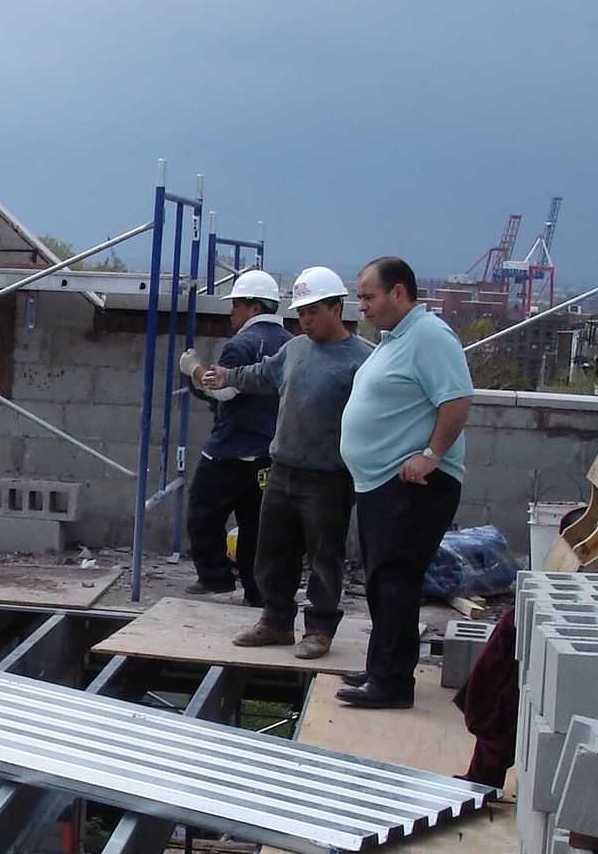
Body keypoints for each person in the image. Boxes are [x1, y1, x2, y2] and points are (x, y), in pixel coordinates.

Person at [200, 266, 371, 659]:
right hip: (283, 468)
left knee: (325, 556)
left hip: (329, 475)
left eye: (314, 312)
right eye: (301, 313)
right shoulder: (294, 349)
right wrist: (228, 376)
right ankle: (276, 621)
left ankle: (320, 629)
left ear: (336, 308)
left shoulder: (362, 360)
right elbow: (263, 374)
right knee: (272, 550)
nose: (306, 321)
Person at [335, 256, 475, 708]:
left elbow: (456, 399)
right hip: (380, 483)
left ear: (399, 293)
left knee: (396, 580)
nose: (363, 307)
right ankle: (381, 668)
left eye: (369, 296)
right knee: (380, 580)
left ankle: (393, 683)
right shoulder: (395, 339)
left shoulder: (429, 336)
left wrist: (431, 455)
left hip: (412, 485)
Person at [183, 268, 289, 602]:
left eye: (237, 306)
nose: (232, 313)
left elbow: (223, 391)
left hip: (229, 451)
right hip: (270, 454)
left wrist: (194, 369)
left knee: (203, 514)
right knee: (256, 526)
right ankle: (256, 591)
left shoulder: (241, 345)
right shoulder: (292, 344)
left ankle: (216, 578)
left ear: (255, 308)